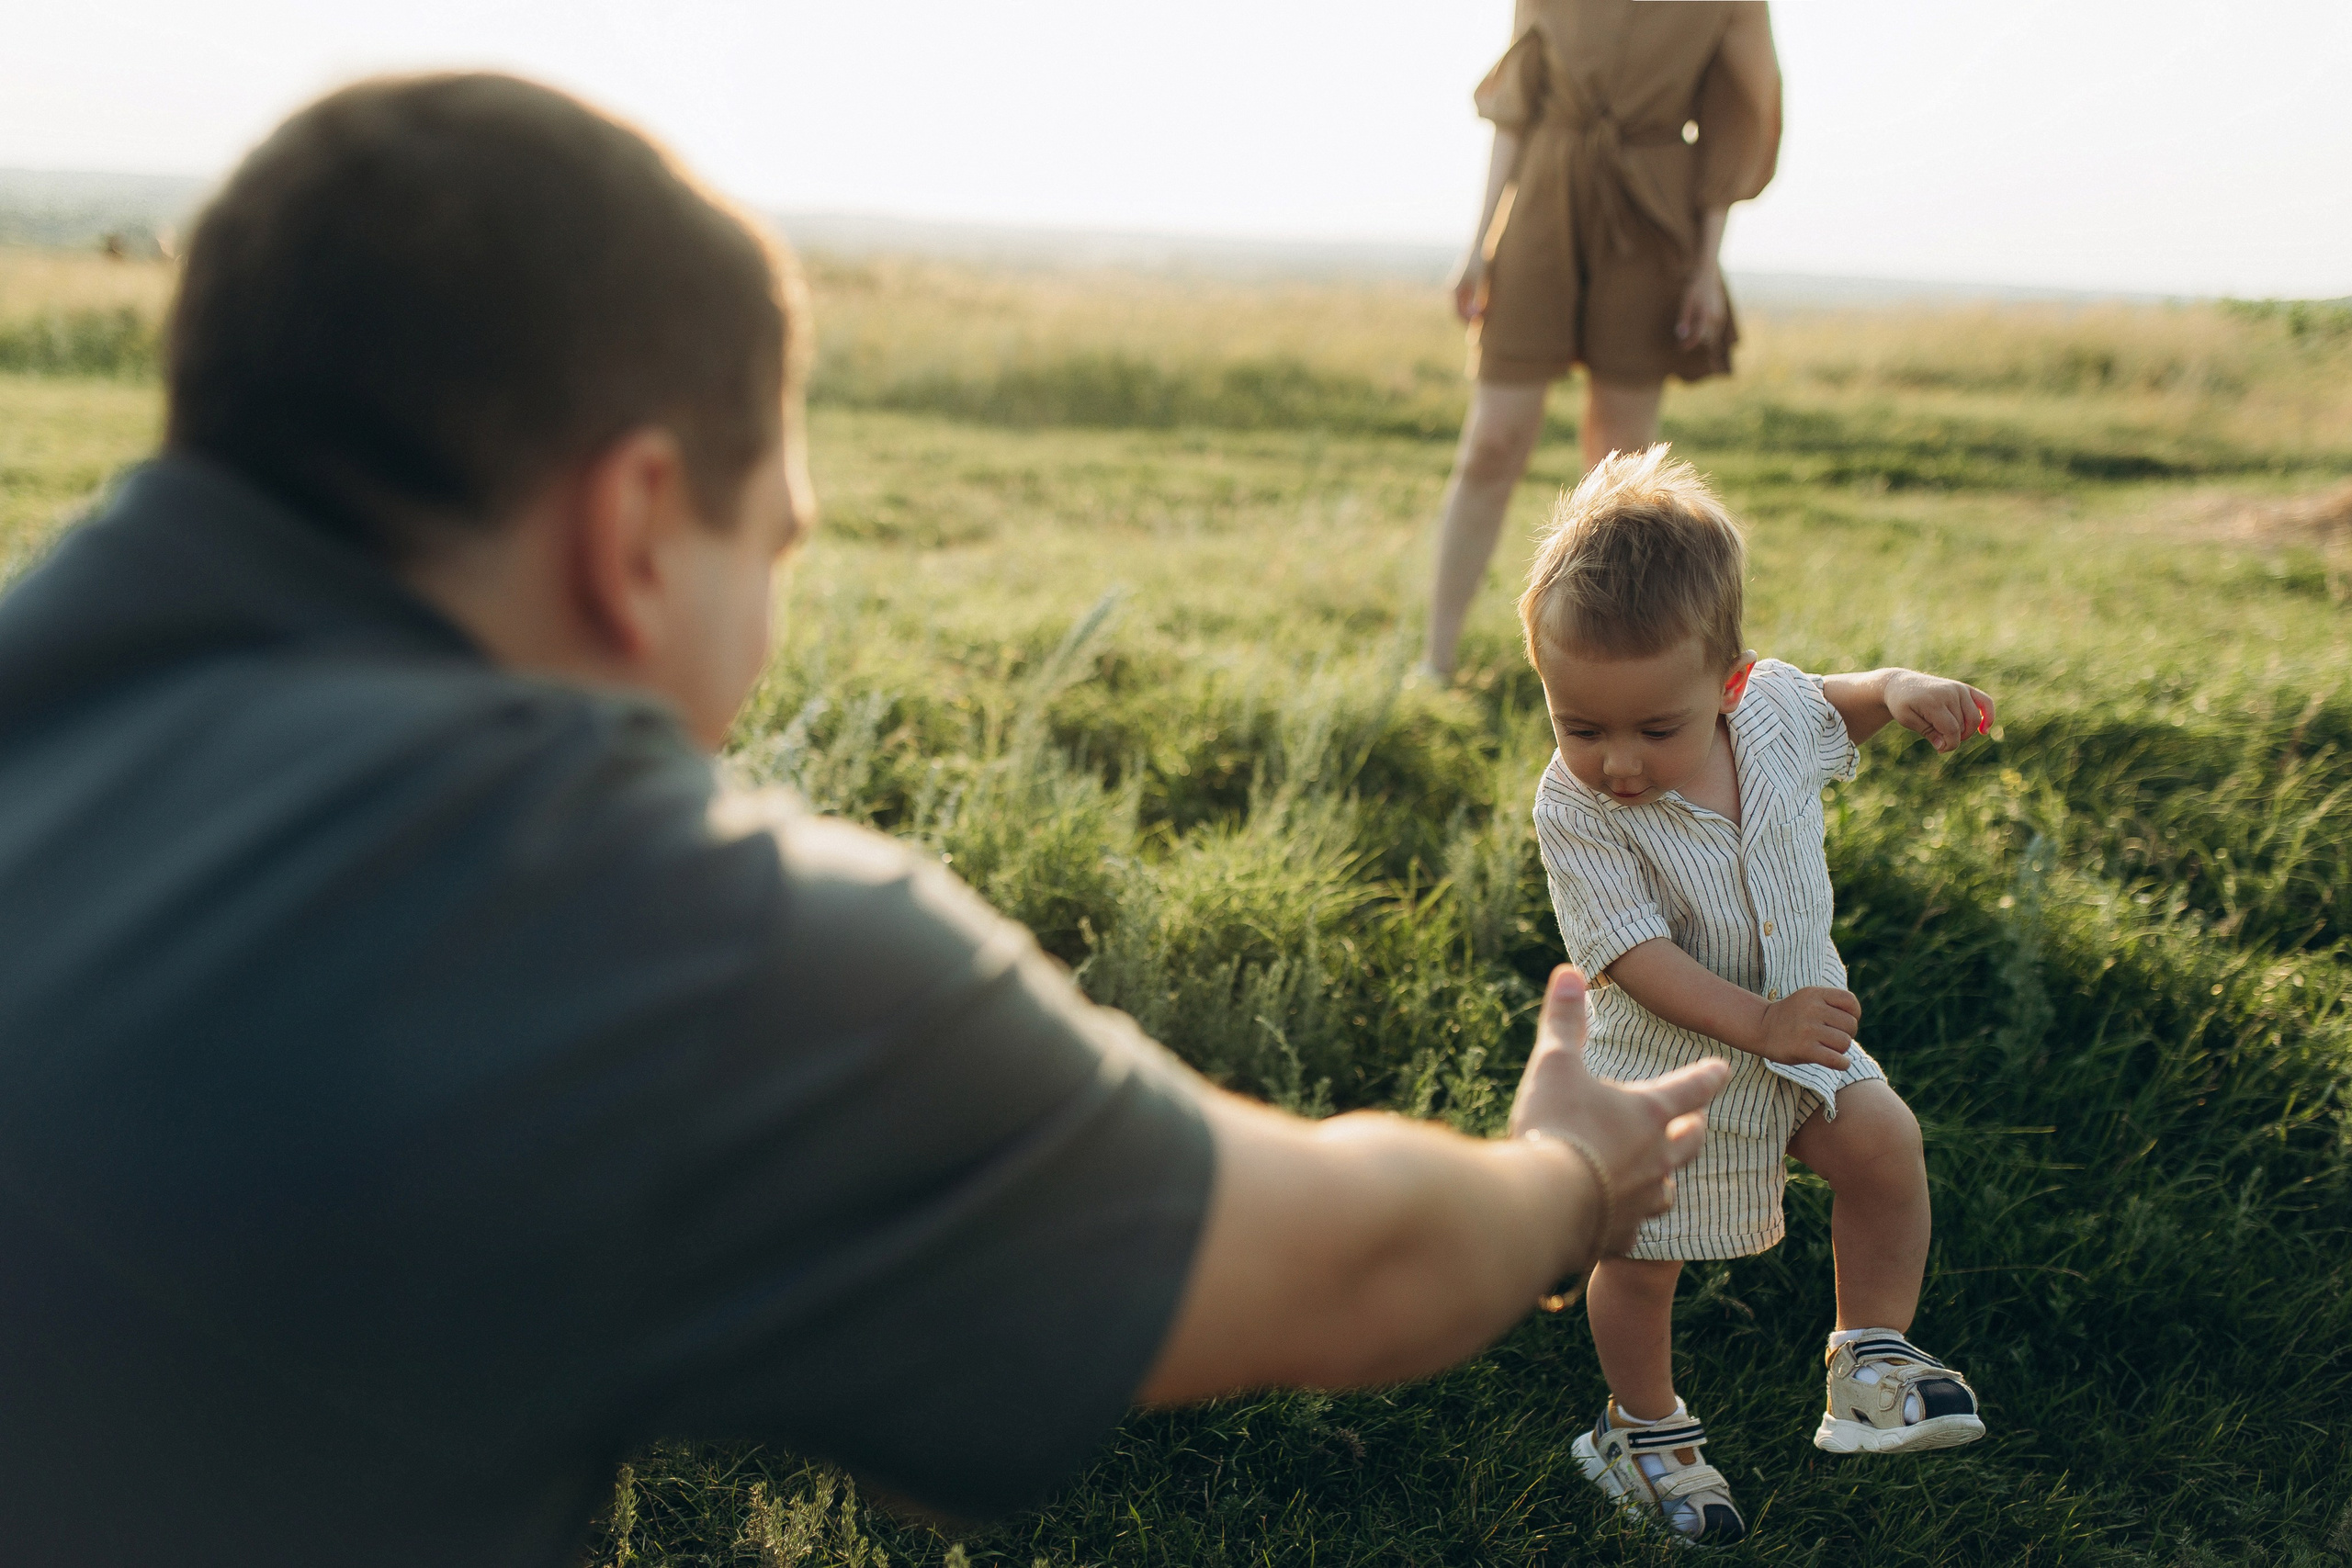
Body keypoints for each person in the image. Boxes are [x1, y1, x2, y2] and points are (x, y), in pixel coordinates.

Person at [0, 75, 1731, 1568]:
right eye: (775, 551)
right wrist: (1572, 1170)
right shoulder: (623, 935)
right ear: (638, 525)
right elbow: (1351, 1268)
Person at [1520, 447, 1994, 1546]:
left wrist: (1899, 689)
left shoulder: (1770, 709)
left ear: (1728, 685)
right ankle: (1640, 1433)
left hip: (1800, 1032)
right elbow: (1632, 955)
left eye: (1654, 729)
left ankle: (1868, 1360)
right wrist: (1756, 1026)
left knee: (1884, 1147)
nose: (1618, 763)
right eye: (1580, 726)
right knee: (1643, 1261)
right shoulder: (1575, 811)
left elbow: (1838, 702)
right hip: (1667, 1066)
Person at [1420, 0, 1781, 682]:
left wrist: (1705, 267)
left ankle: (1606, 676)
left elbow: (1733, 126)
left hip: (1653, 205)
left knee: (1618, 466)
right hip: (1543, 195)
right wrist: (1478, 246)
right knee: (1492, 441)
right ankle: (1435, 660)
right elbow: (1518, 100)